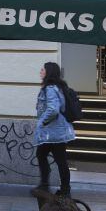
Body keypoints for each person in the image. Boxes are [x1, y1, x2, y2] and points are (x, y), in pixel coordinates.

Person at [31, 63, 76, 197]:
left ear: (49, 72)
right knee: (46, 156)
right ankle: (50, 186)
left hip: (53, 133)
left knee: (57, 159)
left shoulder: (50, 88)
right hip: (54, 133)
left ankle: (61, 189)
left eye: (43, 69)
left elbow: (53, 109)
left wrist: (42, 122)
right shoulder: (56, 87)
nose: (40, 71)